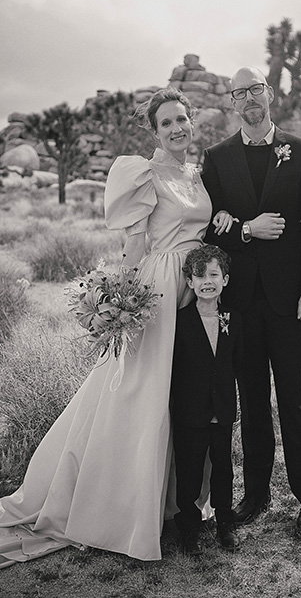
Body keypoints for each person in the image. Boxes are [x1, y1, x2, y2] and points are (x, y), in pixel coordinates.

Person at [0, 88, 235, 566]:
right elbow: (134, 241)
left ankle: (179, 503)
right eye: (166, 122)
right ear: (152, 129)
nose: (176, 129)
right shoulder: (141, 172)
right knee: (145, 394)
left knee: (189, 393)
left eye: (182, 120)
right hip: (161, 290)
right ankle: (127, 509)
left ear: (193, 123)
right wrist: (122, 299)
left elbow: (204, 228)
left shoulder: (199, 173)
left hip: (197, 287)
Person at [202, 66, 301, 534]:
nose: (249, 99)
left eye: (256, 89)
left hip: (289, 297)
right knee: (251, 401)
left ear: (269, 94)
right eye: (240, 93)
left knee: (294, 397)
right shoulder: (216, 158)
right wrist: (246, 230)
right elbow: (212, 222)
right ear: (233, 103)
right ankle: (255, 496)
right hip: (240, 299)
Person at [170, 245, 243, 555]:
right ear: (189, 282)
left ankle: (225, 520)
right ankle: (188, 525)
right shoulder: (180, 321)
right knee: (190, 470)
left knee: (223, 468)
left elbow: (237, 362)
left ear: (225, 279)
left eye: (214, 274)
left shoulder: (233, 318)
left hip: (223, 409)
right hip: (191, 412)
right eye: (200, 276)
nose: (207, 281)